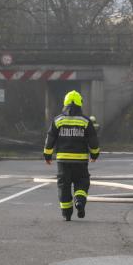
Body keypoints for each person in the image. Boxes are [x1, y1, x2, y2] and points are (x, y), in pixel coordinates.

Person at [43, 90, 100, 221]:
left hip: (63, 161)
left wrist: (47, 155)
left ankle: (66, 213)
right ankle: (79, 201)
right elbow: (93, 140)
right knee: (82, 182)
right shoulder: (85, 121)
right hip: (80, 161)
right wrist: (95, 155)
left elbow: (50, 138)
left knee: (64, 186)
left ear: (65, 103)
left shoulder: (58, 120)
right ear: (80, 103)